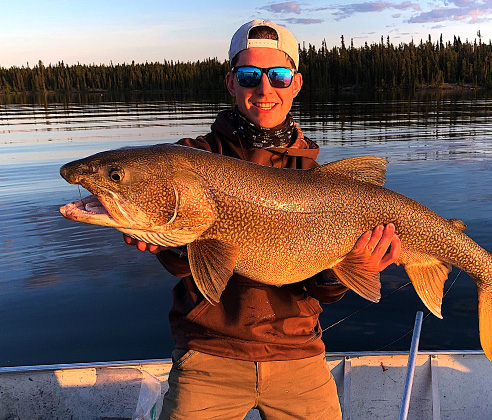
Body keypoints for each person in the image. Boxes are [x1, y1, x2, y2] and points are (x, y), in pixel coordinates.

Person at [124, 19, 401, 420]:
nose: (264, 88)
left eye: (279, 75)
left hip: (299, 353)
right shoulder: (187, 158)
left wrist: (350, 269)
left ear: (297, 83)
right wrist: (165, 240)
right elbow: (181, 264)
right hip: (209, 353)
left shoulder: (318, 179)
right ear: (231, 83)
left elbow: (323, 292)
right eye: (250, 75)